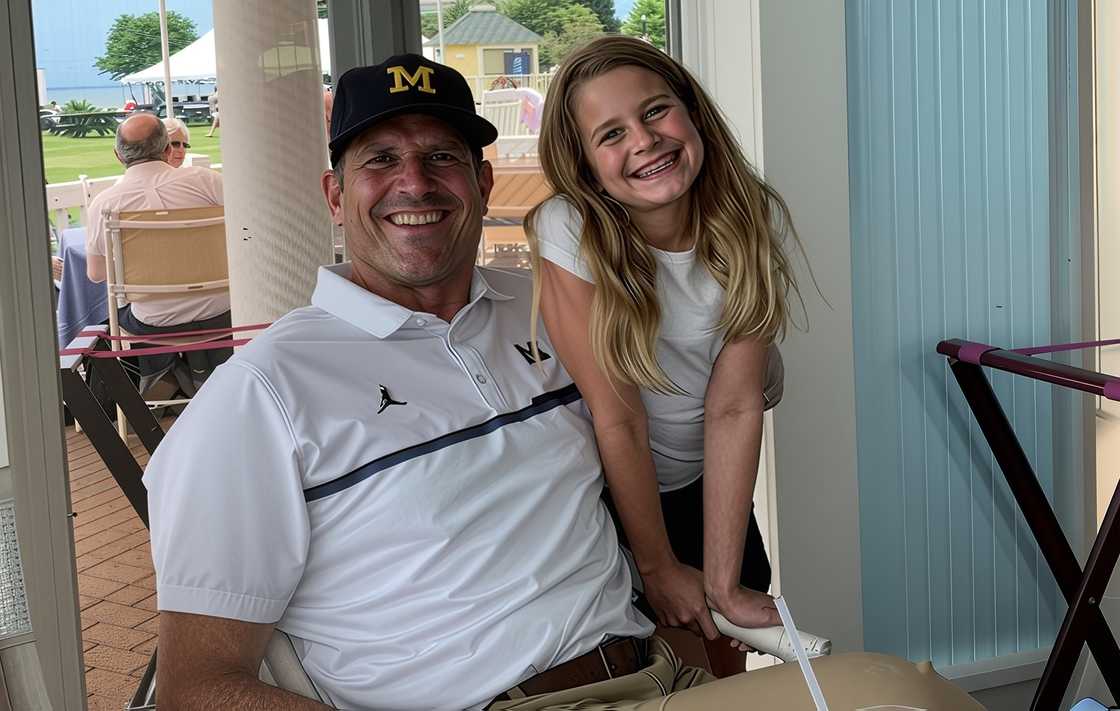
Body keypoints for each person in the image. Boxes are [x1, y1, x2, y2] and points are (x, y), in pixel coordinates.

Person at [145, 55, 983, 711]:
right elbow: (199, 686)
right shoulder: (263, 392)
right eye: (381, 160)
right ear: (334, 193)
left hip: (661, 673)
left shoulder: (554, 307)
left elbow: (717, 381)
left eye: (443, 156)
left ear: (481, 185)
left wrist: (709, 608)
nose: (415, 183)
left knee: (909, 694)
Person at [526, 35, 795, 675]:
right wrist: (658, 566)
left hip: (704, 478)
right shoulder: (570, 229)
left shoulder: (750, 215)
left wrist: (722, 581)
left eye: (654, 111)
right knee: (665, 676)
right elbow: (618, 419)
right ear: (587, 165)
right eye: (610, 133)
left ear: (692, 113)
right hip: (606, 489)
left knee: (726, 664)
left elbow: (734, 407)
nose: (644, 141)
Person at [85, 112, 229, 387]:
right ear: (166, 150)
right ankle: (198, 378)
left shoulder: (105, 204)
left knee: (115, 309)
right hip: (221, 310)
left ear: (118, 155)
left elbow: (96, 274)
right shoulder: (207, 181)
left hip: (154, 321)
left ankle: (163, 378)